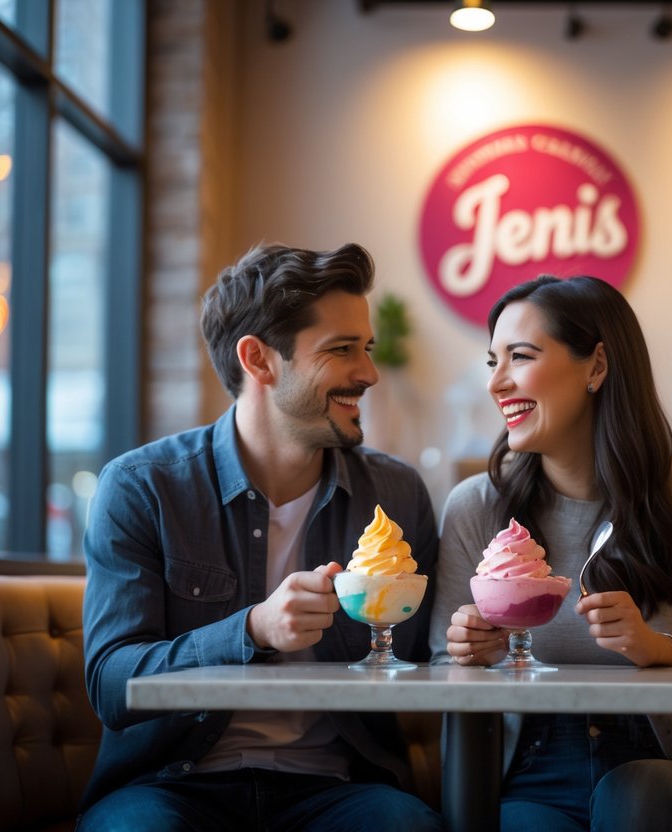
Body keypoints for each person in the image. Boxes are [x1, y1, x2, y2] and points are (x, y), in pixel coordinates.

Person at [79, 243, 442, 831]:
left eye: (367, 348)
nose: (369, 373)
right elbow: (111, 683)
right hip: (173, 786)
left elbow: (429, 660)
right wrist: (250, 630)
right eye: (341, 349)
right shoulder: (142, 488)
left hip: (339, 789)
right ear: (260, 360)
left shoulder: (396, 495)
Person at [428, 275, 672, 832]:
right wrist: (467, 658)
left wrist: (661, 651)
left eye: (521, 356)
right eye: (493, 362)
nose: (497, 382)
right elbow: (443, 687)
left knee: (634, 797)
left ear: (597, 366)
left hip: (665, 777)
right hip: (531, 781)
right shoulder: (475, 509)